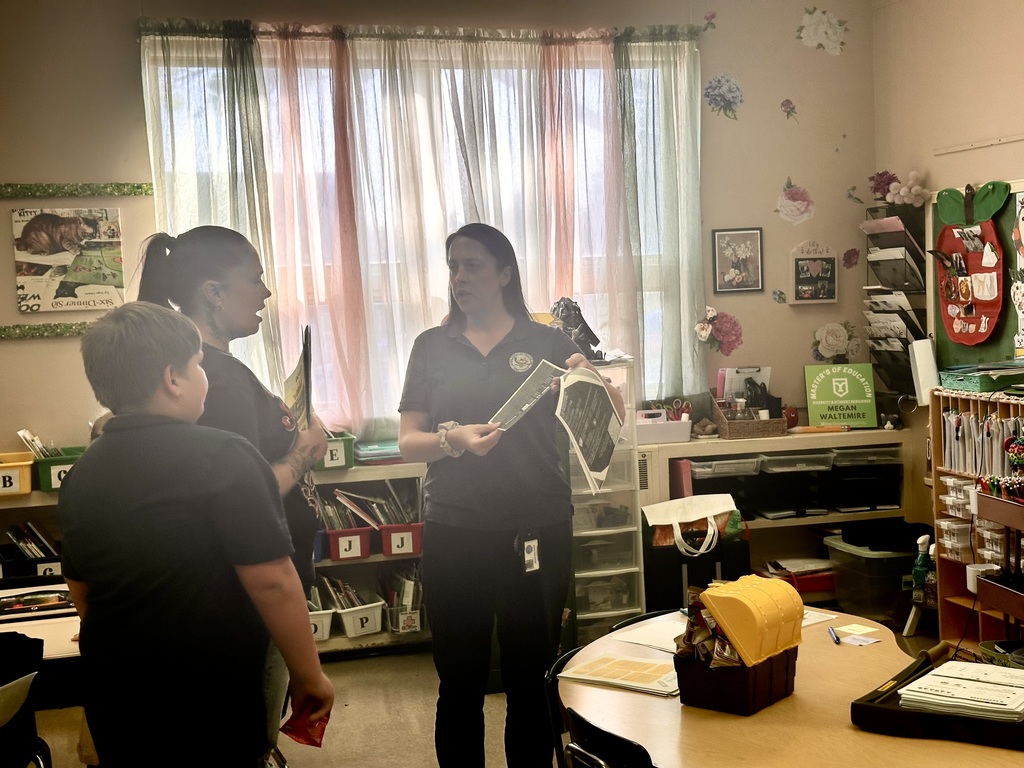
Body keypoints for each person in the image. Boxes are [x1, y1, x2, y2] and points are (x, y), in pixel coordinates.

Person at [56, 302, 334, 767]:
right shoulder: (227, 455)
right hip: (209, 689)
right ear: (173, 378)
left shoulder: (82, 473)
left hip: (118, 691)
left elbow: (83, 595)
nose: (204, 376)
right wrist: (310, 677)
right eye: (199, 364)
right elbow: (272, 581)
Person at [398, 223, 625, 766]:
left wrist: (592, 381)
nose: (459, 277)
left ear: (504, 274)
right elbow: (410, 442)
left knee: (531, 679)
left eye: (472, 265)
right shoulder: (430, 346)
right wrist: (452, 441)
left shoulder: (549, 343)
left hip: (537, 528)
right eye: (453, 266)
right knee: (459, 684)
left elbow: (603, 410)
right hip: (455, 530)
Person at [136, 225, 327, 759]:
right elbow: (243, 495)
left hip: (239, 590)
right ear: (214, 292)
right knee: (247, 739)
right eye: (256, 279)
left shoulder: (213, 372)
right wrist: (302, 453)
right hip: (246, 594)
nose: (265, 293)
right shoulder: (215, 380)